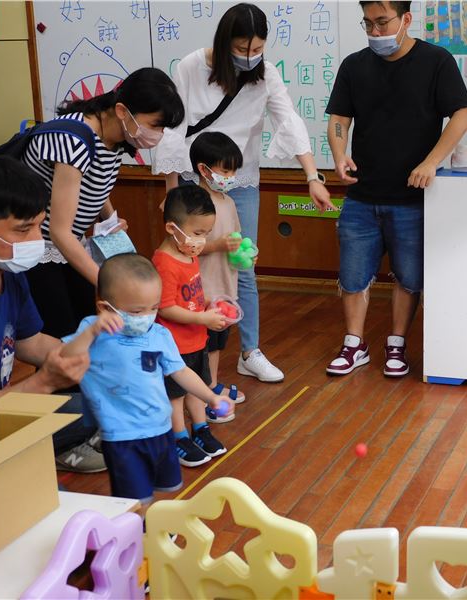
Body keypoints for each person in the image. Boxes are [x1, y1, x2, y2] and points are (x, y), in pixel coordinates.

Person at [152, 2, 335, 384]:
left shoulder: (265, 74)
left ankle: (250, 352)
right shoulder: (191, 66)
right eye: (242, 48)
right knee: (192, 261)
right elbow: (174, 129)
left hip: (241, 179)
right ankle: (192, 348)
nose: (250, 57)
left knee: (243, 261)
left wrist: (312, 177)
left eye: (257, 49)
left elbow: (288, 120)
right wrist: (171, 192)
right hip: (195, 177)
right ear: (225, 43)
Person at [325, 1, 467, 377]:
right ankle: (354, 344)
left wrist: (431, 161)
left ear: (406, 19)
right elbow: (339, 118)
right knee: (353, 276)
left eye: (382, 23)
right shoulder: (354, 66)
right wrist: (339, 155)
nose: (375, 33)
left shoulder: (436, 61)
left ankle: (397, 344)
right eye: (367, 24)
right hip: (361, 194)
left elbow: (461, 115)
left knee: (408, 277)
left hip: (412, 197)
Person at [22, 67, 185, 340]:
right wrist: (111, 283)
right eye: (154, 125)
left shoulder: (117, 136)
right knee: (62, 337)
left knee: (86, 328)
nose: (157, 134)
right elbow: (59, 232)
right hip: (42, 248)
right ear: (122, 111)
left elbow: (90, 183)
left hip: (70, 244)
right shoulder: (74, 139)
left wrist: (109, 218)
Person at [61, 253, 229, 503]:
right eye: (137, 311)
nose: (146, 317)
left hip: (161, 428)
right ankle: (139, 525)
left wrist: (210, 397)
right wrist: (93, 330)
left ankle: (153, 521)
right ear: (105, 307)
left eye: (153, 308)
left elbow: (181, 371)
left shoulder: (159, 333)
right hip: (121, 435)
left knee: (162, 487)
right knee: (134, 499)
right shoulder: (92, 329)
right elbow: (66, 356)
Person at [0, 155, 104, 473]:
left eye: (39, 225)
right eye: (23, 229)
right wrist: (42, 383)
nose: (37, 240)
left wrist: (101, 359)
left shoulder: (9, 274)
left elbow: (31, 341)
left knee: (99, 402)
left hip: (2, 409)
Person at [153, 186, 230, 467]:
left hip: (197, 340)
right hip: (174, 345)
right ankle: (179, 437)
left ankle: (200, 429)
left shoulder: (189, 253)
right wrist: (202, 319)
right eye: (197, 233)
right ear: (171, 228)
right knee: (176, 395)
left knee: (198, 388)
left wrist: (207, 303)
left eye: (206, 234)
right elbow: (165, 307)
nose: (202, 240)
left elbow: (191, 293)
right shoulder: (164, 262)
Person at [191, 131, 248, 423]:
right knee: (199, 344)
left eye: (233, 171)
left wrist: (246, 253)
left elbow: (236, 239)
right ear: (204, 169)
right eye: (225, 171)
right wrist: (217, 246)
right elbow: (187, 246)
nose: (230, 177)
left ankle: (211, 384)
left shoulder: (227, 201)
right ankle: (201, 394)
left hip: (225, 286)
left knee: (216, 342)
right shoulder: (194, 204)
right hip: (202, 290)